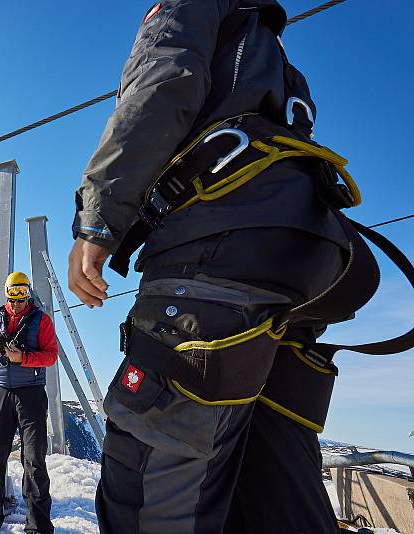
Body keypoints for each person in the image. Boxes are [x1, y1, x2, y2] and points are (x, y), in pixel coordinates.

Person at [68, 2, 374, 533]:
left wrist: (98, 222)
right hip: (312, 262)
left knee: (154, 472)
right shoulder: (279, 61)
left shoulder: (191, 8)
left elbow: (161, 88)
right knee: (267, 462)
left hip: (218, 248)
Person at [0, 272, 58, 534]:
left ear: (28, 293)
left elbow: (51, 356)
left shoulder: (41, 320)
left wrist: (23, 358)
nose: (17, 302)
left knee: (34, 459)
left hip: (30, 393)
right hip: (0, 392)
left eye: (22, 296)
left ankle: (38, 524)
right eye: (13, 296)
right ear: (7, 294)